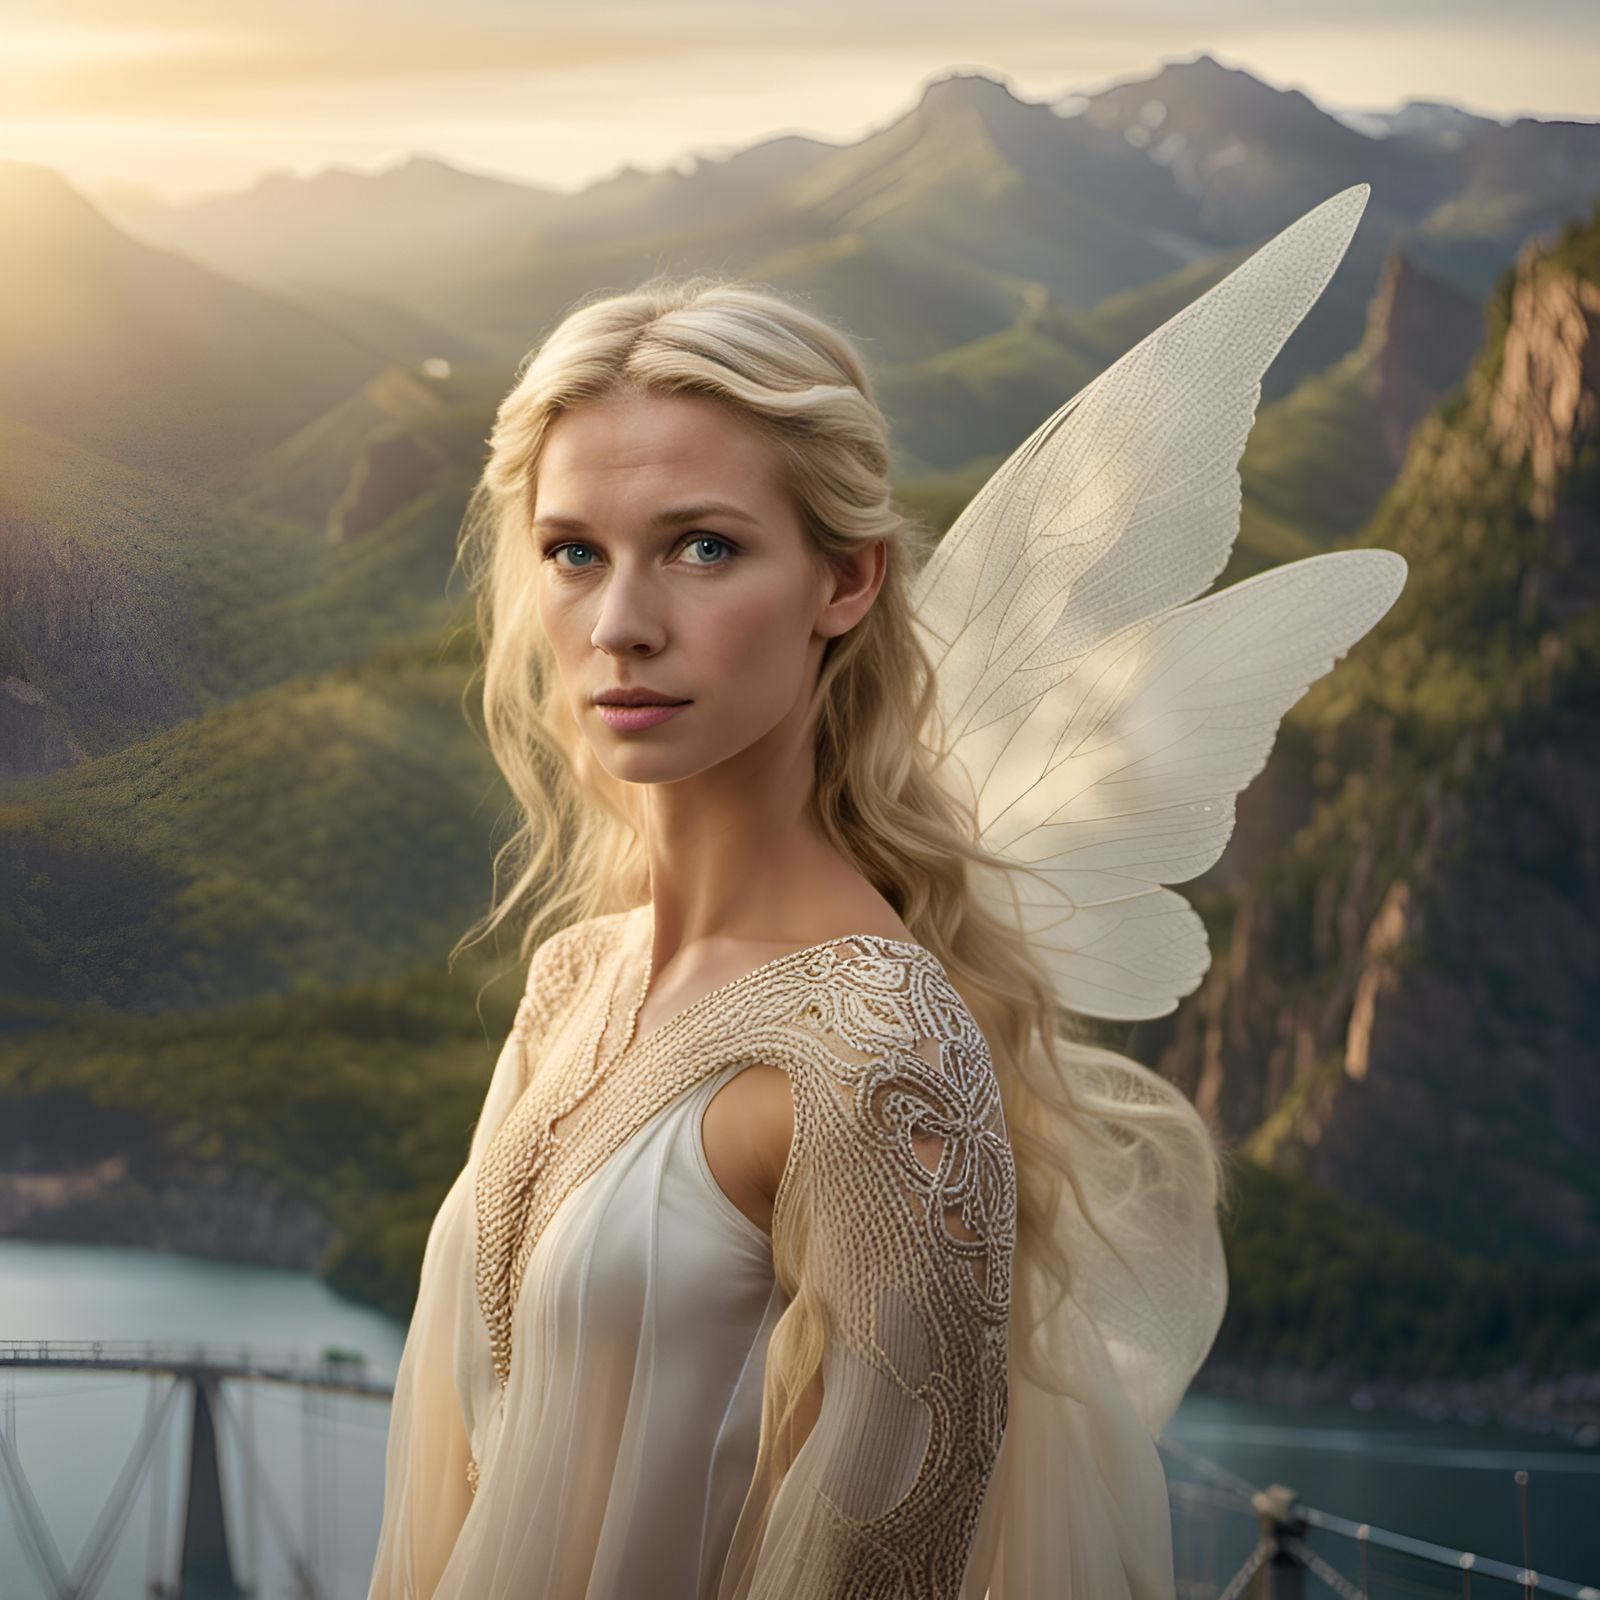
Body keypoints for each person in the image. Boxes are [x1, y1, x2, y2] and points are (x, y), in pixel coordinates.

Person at [366, 182, 1405, 1599]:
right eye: (574, 553)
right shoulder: (577, 977)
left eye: (703, 546)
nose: (619, 625)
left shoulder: (878, 1061)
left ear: (845, 581)